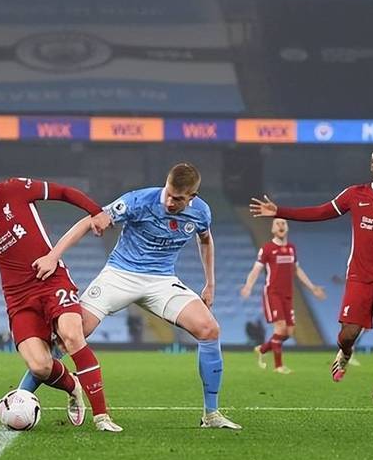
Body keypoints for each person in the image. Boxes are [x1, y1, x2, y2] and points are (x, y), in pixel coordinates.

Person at [21, 163, 242, 429]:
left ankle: (211, 414)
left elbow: (205, 239)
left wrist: (210, 284)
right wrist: (52, 256)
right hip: (120, 275)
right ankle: (21, 396)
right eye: (168, 194)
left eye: (178, 199)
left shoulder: (201, 212)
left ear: (192, 197)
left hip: (161, 281)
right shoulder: (139, 201)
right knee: (71, 335)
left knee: (209, 329)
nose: (170, 202)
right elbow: (89, 221)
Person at [0, 156, 121, 432]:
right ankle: (73, 386)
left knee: (72, 335)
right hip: (18, 298)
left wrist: (96, 211)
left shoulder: (15, 188)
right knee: (40, 366)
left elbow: (63, 192)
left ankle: (102, 417)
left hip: (51, 280)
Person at [250, 148, 373, 407]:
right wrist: (280, 211)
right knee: (348, 335)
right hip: (359, 277)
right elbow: (320, 212)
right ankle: (345, 353)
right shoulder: (355, 194)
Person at [240, 218, 326, 374]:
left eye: (283, 223)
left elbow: (297, 270)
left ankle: (263, 349)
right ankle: (279, 366)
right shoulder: (267, 249)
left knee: (289, 332)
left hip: (288, 295)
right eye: (277, 224)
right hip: (272, 293)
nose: (281, 226)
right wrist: (248, 286)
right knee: (280, 328)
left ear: (287, 228)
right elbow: (256, 270)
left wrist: (312, 287)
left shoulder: (291, 248)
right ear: (272, 229)